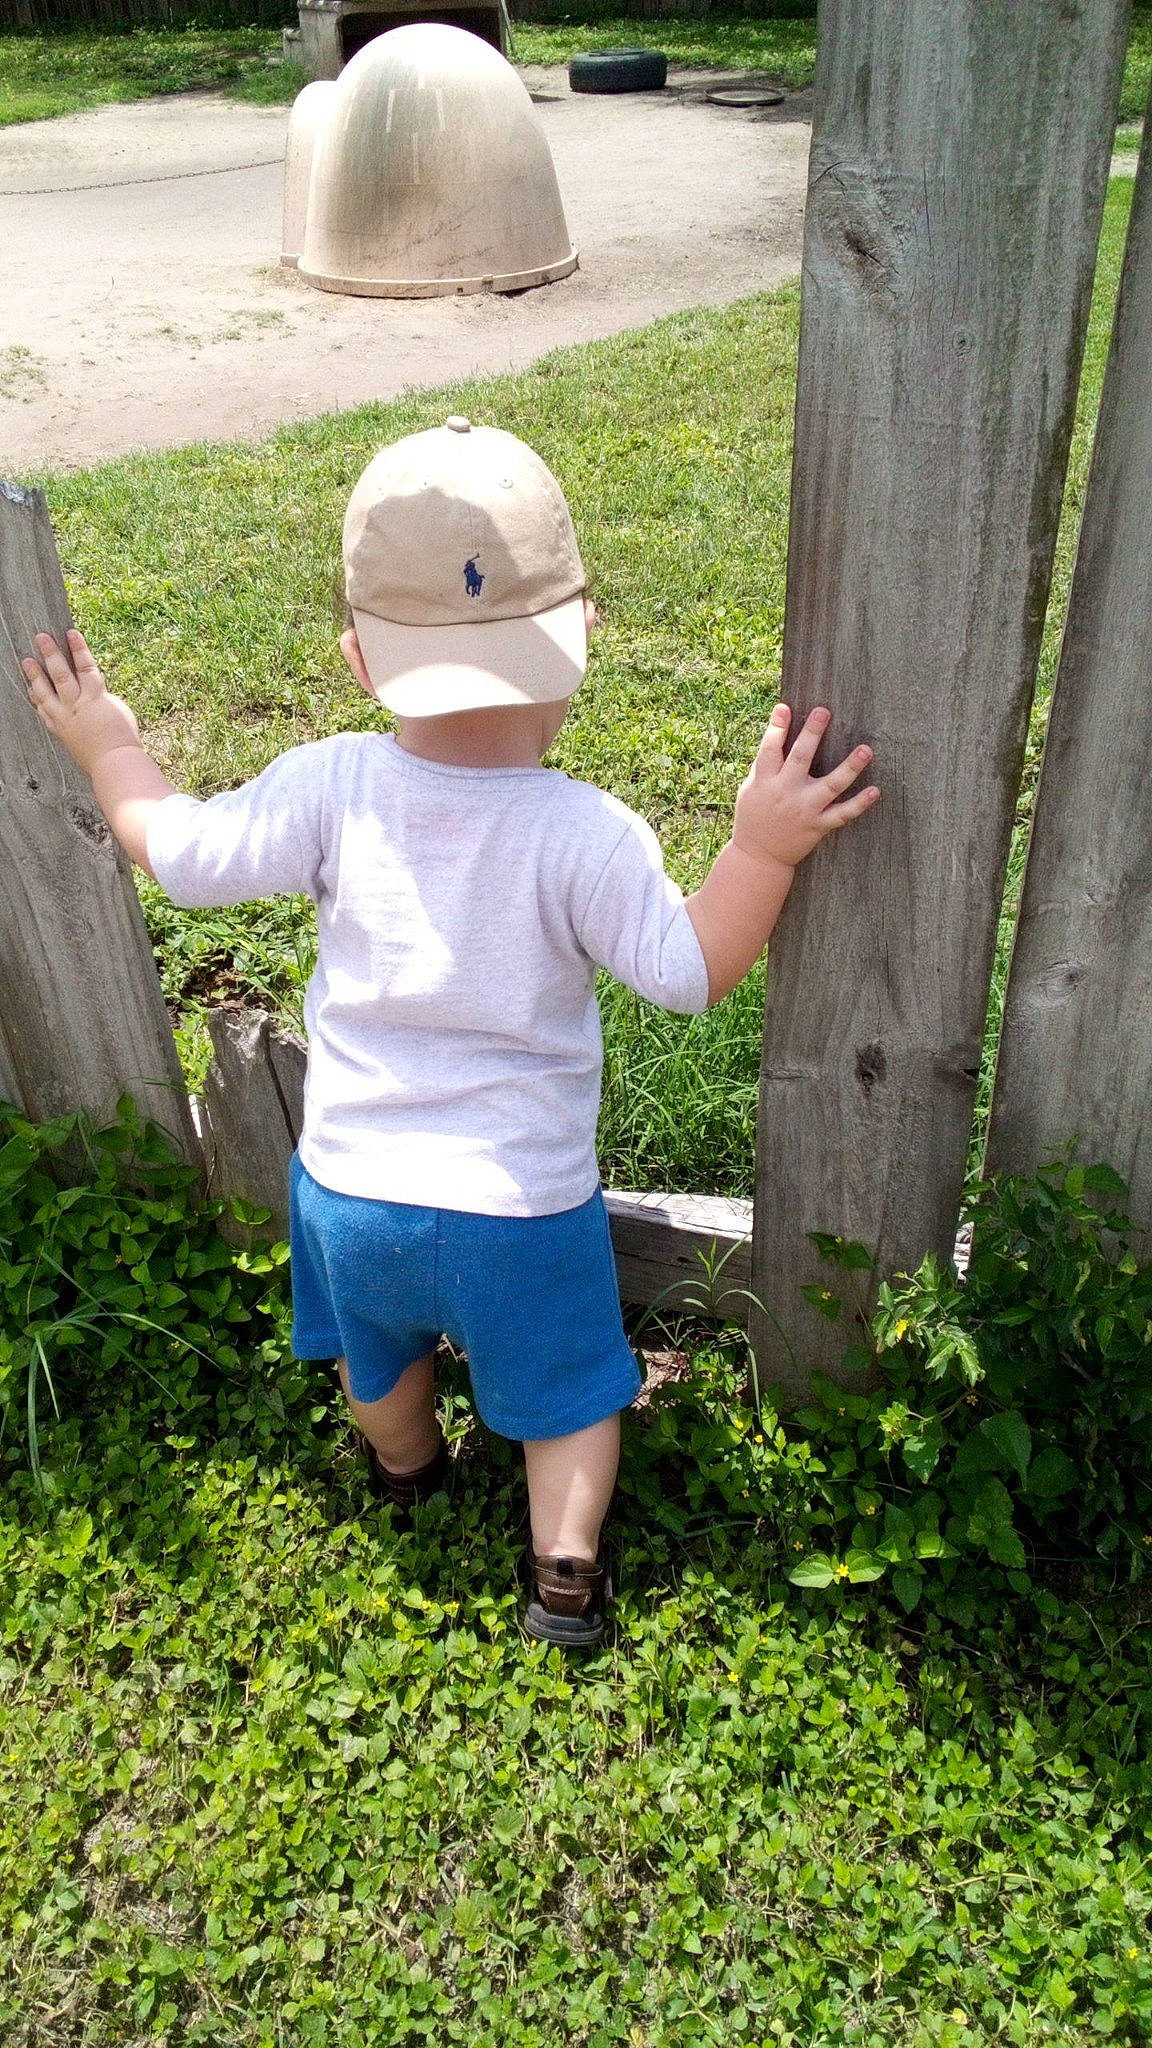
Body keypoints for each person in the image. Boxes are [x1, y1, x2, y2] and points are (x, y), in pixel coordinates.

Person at [23, 415, 878, 1648]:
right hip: (519, 1213)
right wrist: (762, 847)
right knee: (570, 1393)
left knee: (377, 1365)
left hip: (352, 1197)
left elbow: (183, 855)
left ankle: (406, 1464)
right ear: (581, 639)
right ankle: (564, 1574)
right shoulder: (585, 831)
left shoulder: (329, 783)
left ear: (360, 662)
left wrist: (110, 743)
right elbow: (692, 971)